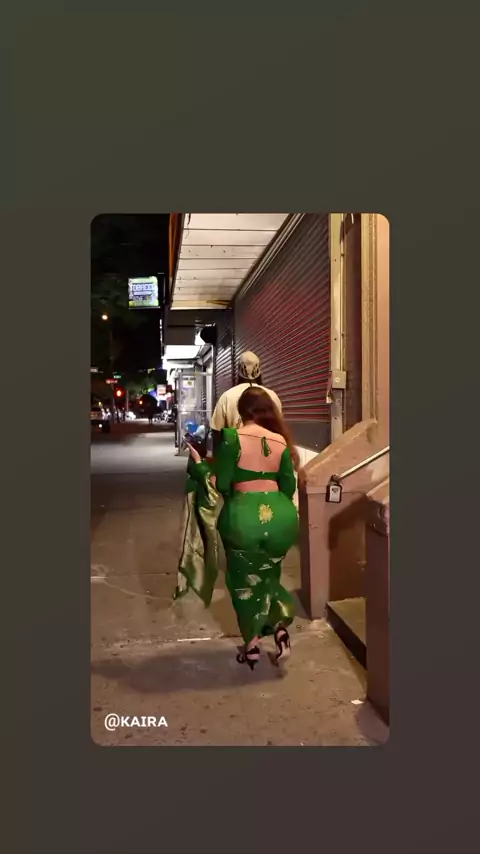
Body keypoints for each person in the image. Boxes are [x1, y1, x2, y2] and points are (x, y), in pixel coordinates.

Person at [178, 386, 301, 671]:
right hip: (281, 518)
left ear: (241, 411)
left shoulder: (232, 438)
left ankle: (253, 645)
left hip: (244, 518)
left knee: (244, 583)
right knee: (269, 576)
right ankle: (280, 629)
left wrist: (199, 465)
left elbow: (221, 484)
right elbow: (288, 485)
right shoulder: (280, 440)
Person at [210, 351, 282, 446]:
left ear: (239, 371)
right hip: (267, 451)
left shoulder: (227, 396)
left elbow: (217, 432)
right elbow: (279, 428)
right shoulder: (272, 396)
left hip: (236, 451)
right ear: (259, 370)